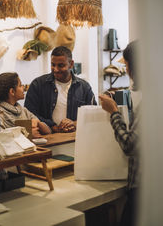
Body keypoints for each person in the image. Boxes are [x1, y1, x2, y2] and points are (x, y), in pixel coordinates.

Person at [99, 40, 140, 226]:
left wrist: (114, 112)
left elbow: (129, 145)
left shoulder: (151, 104)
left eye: (127, 65)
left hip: (144, 190)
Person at [24, 46, 97, 133]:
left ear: (71, 64)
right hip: (47, 139)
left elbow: (93, 114)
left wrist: (74, 123)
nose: (56, 69)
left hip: (75, 137)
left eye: (61, 65)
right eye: (53, 65)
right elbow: (29, 113)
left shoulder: (84, 87)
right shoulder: (38, 85)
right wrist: (53, 127)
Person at [0, 72, 51, 138]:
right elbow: (1, 137)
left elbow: (47, 131)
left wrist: (38, 123)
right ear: (12, 91)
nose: (23, 87)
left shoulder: (23, 110)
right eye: (20, 85)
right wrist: (27, 134)